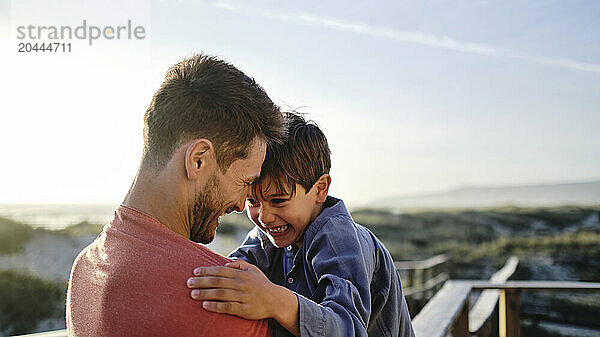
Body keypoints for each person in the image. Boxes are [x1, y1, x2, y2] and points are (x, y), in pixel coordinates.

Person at [66, 54, 285, 337]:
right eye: (244, 182)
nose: (241, 203)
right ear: (198, 160)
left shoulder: (84, 269)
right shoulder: (220, 296)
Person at [186, 112, 415, 337]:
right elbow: (232, 270)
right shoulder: (269, 234)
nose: (264, 216)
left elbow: (349, 329)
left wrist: (273, 300)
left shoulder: (338, 241)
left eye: (279, 200)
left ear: (320, 189)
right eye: (252, 201)